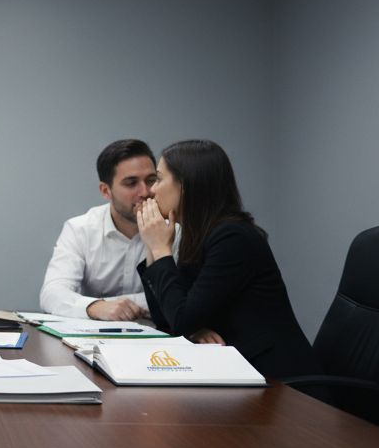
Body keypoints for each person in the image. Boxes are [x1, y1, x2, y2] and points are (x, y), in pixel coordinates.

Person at [134, 140, 321, 378]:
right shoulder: (200, 236)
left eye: (158, 179)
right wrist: (154, 247)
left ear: (187, 185)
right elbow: (168, 320)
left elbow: (180, 319)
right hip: (238, 373)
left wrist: (161, 249)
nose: (151, 190)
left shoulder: (234, 238)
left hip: (281, 384)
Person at [39, 139, 177, 320]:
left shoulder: (175, 227)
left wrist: (112, 303)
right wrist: (95, 307)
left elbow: (183, 297)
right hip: (92, 341)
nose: (145, 191)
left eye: (151, 180)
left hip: (161, 341)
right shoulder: (80, 229)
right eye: (131, 183)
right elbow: (52, 293)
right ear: (106, 191)